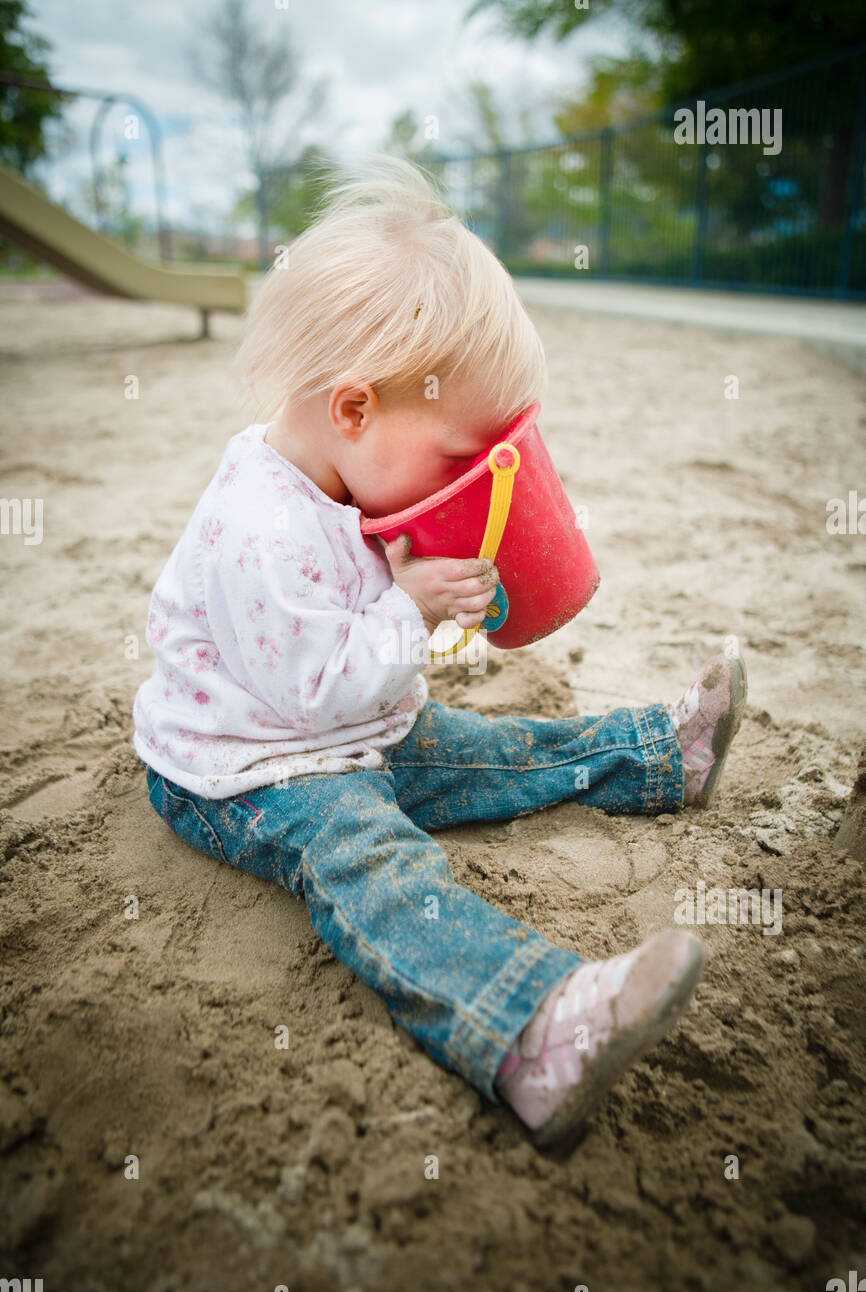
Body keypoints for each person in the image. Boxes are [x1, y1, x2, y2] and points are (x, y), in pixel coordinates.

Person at [131, 154, 747, 1155]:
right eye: (458, 456)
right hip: (248, 768)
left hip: (355, 724)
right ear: (354, 408)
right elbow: (315, 695)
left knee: (485, 748)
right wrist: (407, 613)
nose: (466, 478)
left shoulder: (351, 472)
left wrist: (432, 596)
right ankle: (532, 1028)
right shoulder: (257, 527)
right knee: (364, 852)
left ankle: (655, 751)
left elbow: (369, 640)